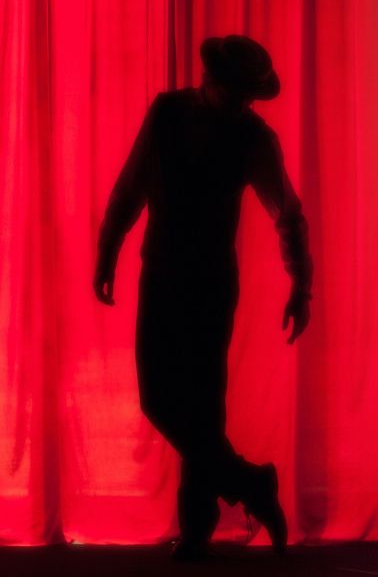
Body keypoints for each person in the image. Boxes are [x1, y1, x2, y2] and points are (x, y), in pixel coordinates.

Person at [93, 35, 311, 561]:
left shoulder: (252, 136)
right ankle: (252, 485)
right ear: (210, 80)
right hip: (164, 272)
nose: (241, 104)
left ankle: (197, 530)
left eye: (247, 96)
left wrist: (301, 284)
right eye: (235, 92)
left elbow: (287, 213)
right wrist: (108, 247)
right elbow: (132, 185)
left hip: (210, 280)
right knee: (162, 400)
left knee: (201, 408)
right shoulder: (168, 113)